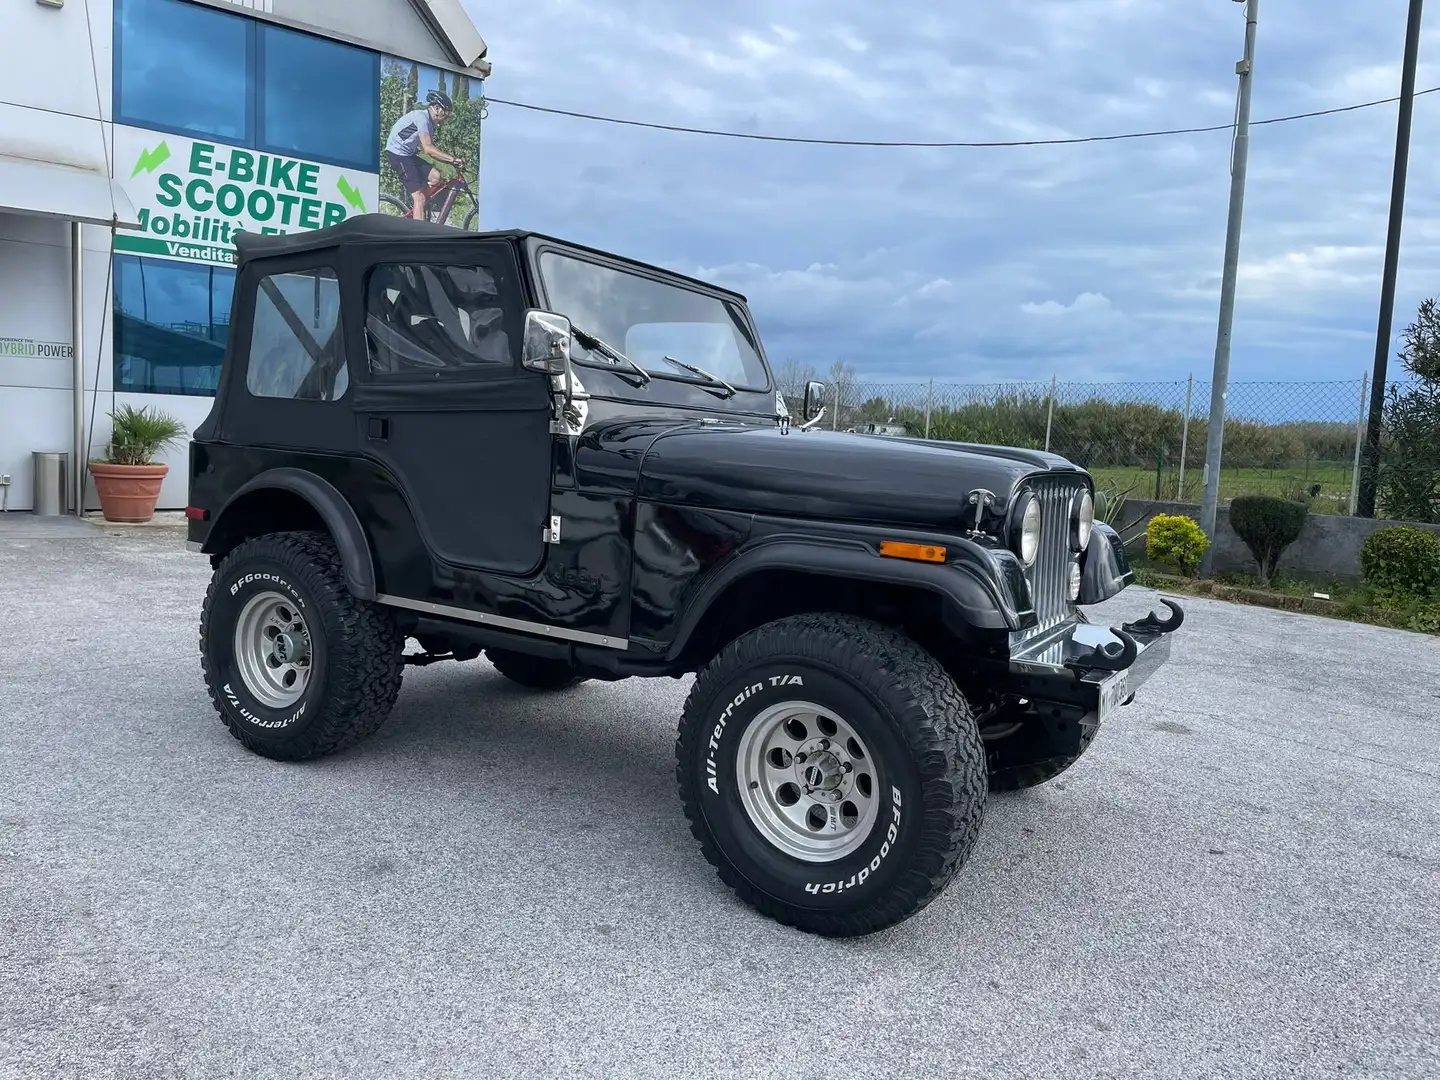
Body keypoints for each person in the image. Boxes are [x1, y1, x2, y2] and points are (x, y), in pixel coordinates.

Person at [384, 89, 466, 221]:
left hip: (407, 154)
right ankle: (418, 224)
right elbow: (428, 149)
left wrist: (449, 159)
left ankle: (418, 206)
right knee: (420, 198)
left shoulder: (430, 123)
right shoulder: (422, 117)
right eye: (445, 113)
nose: (446, 118)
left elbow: (430, 149)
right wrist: (453, 159)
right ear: (437, 109)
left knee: (436, 176)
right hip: (397, 154)